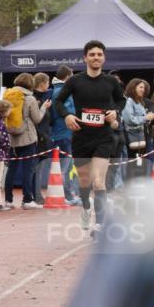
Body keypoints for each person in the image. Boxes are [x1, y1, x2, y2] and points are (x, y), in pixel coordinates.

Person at [54, 41, 124, 234]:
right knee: (84, 183)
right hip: (81, 138)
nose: (96, 57)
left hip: (103, 137)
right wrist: (67, 115)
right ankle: (86, 208)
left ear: (104, 58)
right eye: (92, 54)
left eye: (99, 54)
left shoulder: (111, 82)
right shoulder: (75, 81)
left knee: (98, 181)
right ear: (85, 58)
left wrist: (115, 112)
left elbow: (121, 100)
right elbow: (58, 101)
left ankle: (100, 224)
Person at [3, 73, 50, 209]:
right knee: (28, 170)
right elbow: (36, 119)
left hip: (12, 139)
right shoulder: (30, 98)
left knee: (11, 170)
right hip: (28, 139)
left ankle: (8, 200)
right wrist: (43, 108)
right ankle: (27, 200)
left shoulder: (8, 96)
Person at [50, 65, 81, 206]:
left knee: (65, 167)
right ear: (68, 76)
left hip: (60, 131)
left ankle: (68, 195)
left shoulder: (57, 90)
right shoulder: (63, 91)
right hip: (64, 131)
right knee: (65, 167)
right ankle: (67, 196)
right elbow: (68, 110)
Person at [121, 78, 154, 183]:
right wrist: (146, 118)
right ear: (133, 87)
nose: (143, 90)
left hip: (140, 136)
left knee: (139, 161)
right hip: (131, 137)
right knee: (132, 161)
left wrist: (147, 119)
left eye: (144, 88)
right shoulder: (128, 101)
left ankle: (139, 183)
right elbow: (129, 119)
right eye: (140, 87)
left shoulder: (139, 102)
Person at [33, 72, 53, 202]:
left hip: (43, 136)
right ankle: (36, 196)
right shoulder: (35, 99)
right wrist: (44, 108)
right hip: (39, 137)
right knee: (36, 169)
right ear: (42, 83)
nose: (49, 85)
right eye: (47, 82)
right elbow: (37, 119)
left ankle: (36, 195)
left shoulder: (42, 98)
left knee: (37, 169)